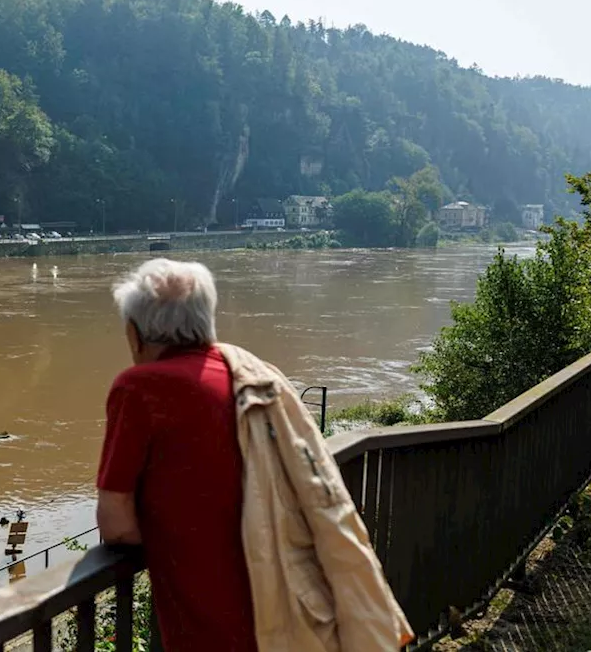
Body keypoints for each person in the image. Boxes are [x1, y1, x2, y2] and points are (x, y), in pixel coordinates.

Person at [96, 258, 412, 651]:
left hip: (208, 617)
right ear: (205, 322)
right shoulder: (252, 374)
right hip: (290, 602)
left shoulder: (139, 388)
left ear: (134, 334)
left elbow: (116, 523)